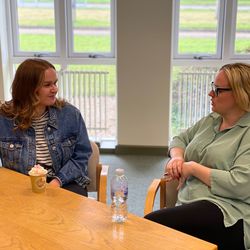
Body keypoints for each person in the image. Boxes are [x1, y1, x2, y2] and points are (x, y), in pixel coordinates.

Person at [145, 62, 250, 250]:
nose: (210, 94)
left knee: (149, 226)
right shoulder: (212, 120)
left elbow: (240, 184)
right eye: (212, 87)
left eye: (217, 90)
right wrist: (177, 157)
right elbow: (179, 139)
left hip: (230, 212)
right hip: (191, 203)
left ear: (239, 94)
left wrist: (193, 167)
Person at [0, 58, 92, 196]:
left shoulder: (70, 114)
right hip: (21, 185)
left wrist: (57, 182)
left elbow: (82, 156)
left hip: (64, 181)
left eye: (55, 83)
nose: (55, 89)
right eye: (47, 85)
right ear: (28, 89)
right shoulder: (4, 118)